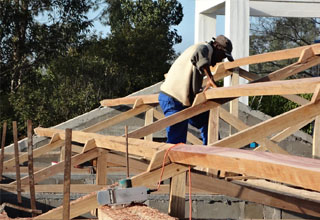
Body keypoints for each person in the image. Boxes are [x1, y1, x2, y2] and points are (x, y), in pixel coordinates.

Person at [159, 35, 234, 145]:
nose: (220, 60)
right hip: (173, 99)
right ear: (217, 46)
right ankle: (171, 161)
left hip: (183, 100)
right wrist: (210, 78)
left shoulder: (204, 49)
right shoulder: (205, 48)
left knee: (207, 120)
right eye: (222, 56)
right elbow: (200, 53)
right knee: (176, 142)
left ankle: (211, 152)